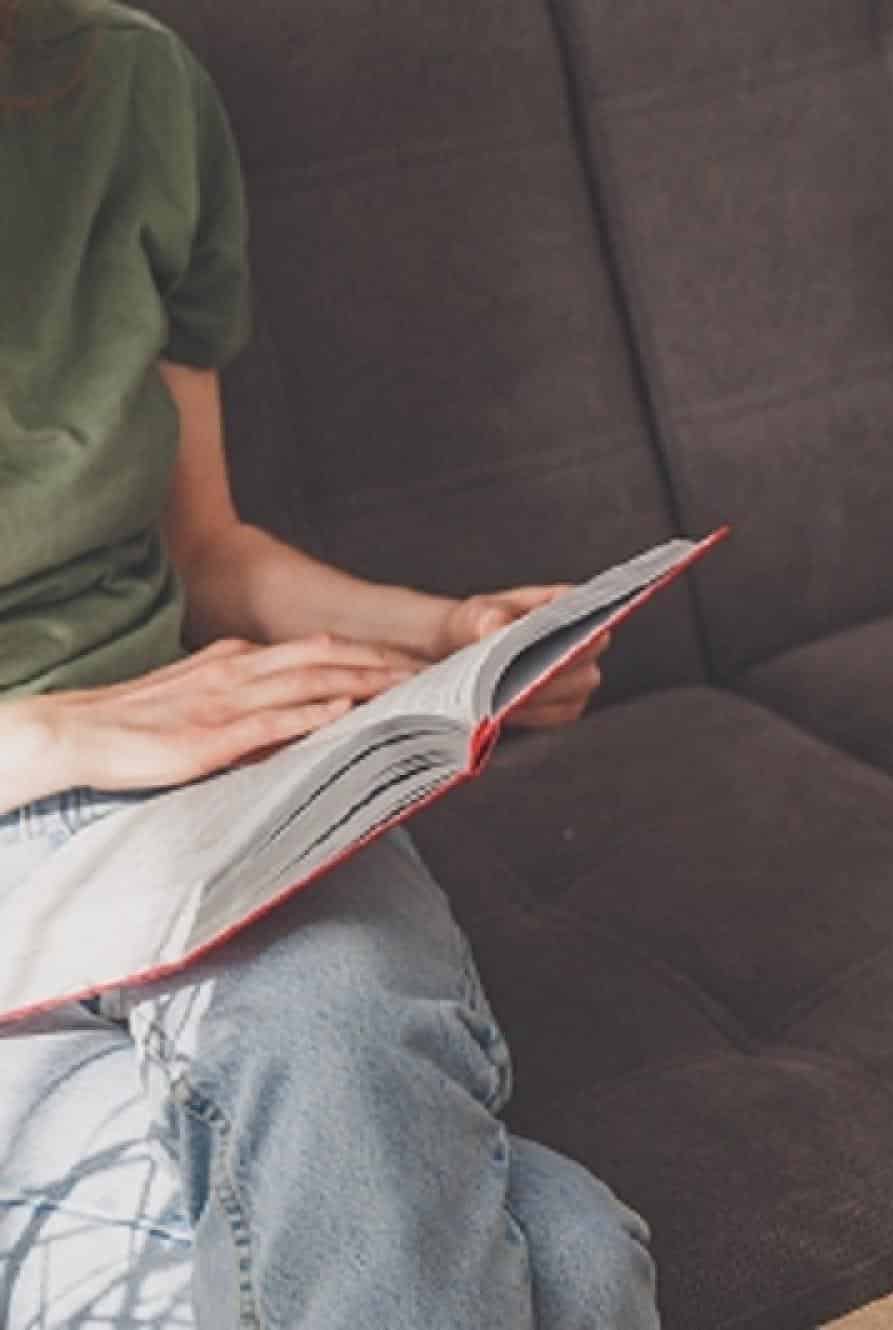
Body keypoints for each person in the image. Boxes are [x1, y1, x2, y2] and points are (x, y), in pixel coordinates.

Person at [0, 2, 661, 1325]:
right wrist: (63, 734)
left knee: (356, 1027)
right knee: (572, 1256)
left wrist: (441, 632)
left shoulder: (136, 87)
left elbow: (206, 546)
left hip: (191, 787)